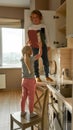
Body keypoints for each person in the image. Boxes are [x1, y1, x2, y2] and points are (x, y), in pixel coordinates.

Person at [28, 9, 53, 82]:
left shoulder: (43, 26)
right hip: (34, 47)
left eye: (36, 17)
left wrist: (48, 45)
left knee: (46, 61)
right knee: (35, 62)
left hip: (43, 46)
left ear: (40, 18)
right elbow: (30, 38)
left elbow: (46, 36)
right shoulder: (31, 27)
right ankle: (37, 76)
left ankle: (47, 76)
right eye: (33, 17)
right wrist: (29, 45)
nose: (35, 19)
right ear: (31, 19)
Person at [20, 41, 42, 117]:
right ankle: (31, 113)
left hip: (23, 81)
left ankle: (22, 112)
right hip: (30, 81)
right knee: (31, 98)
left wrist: (26, 45)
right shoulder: (31, 59)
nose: (32, 51)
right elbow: (40, 54)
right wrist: (40, 46)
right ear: (29, 52)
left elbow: (25, 52)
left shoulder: (22, 59)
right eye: (31, 50)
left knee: (23, 97)